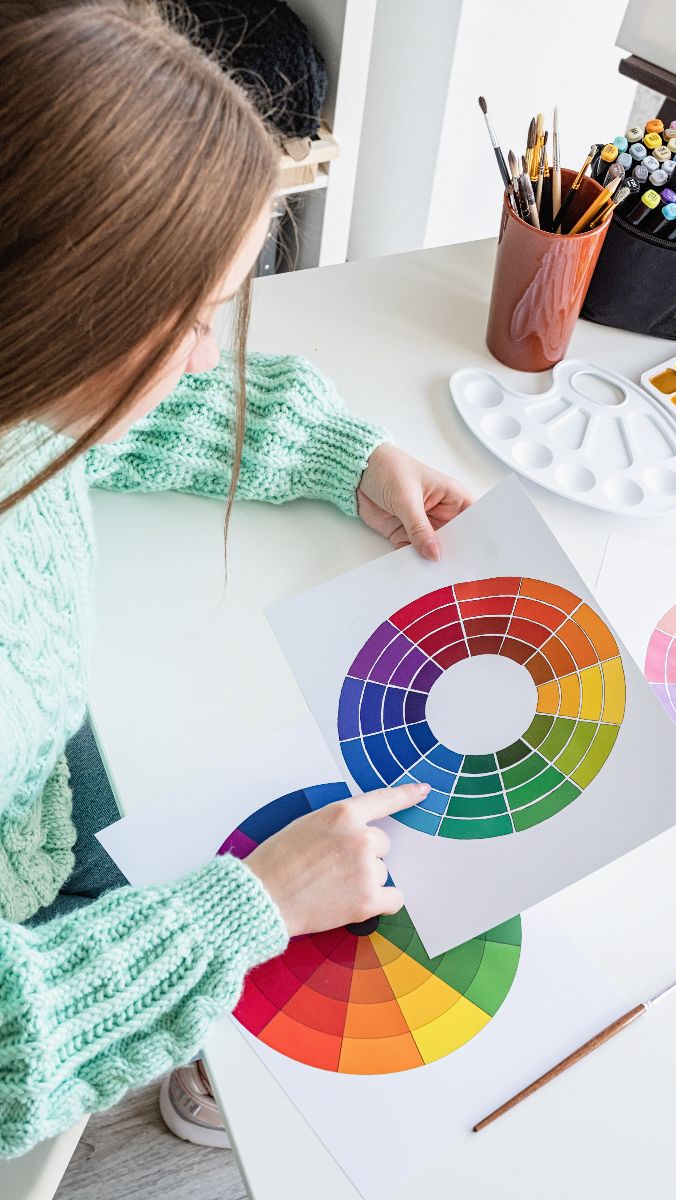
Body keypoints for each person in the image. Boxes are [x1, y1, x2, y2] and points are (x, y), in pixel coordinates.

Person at [0, 0, 472, 1157]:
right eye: (199, 320)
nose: (213, 353)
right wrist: (251, 908)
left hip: (42, 795)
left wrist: (339, 454)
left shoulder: (28, 393)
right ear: (67, 313)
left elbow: (106, 426)